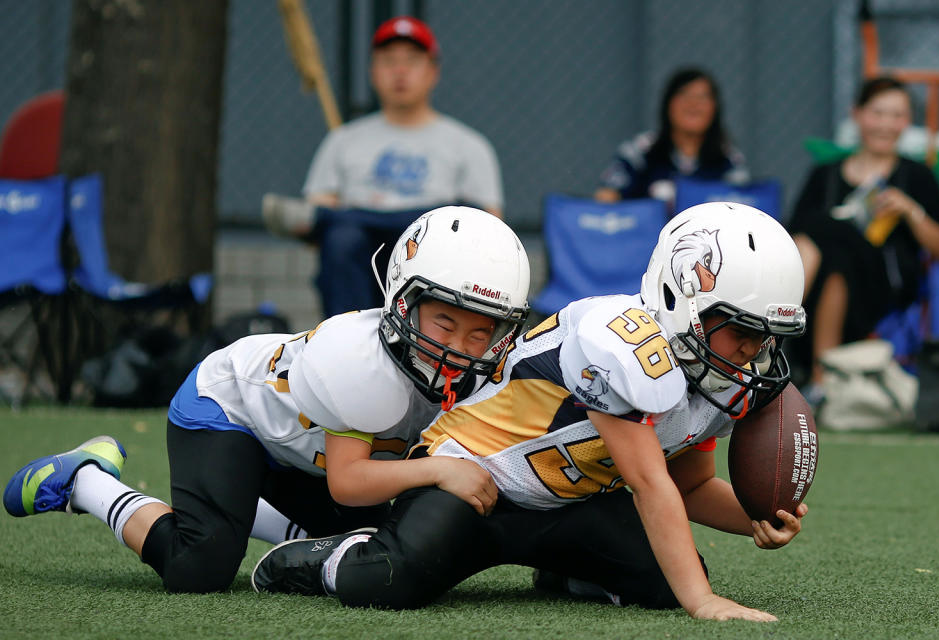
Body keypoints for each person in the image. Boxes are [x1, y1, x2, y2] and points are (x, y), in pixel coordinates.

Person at [252, 202, 810, 623]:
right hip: (469, 483)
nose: (754, 351)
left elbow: (685, 488)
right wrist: (703, 602)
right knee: (391, 580)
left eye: (769, 337)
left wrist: (755, 517)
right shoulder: (621, 342)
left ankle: (563, 570)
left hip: (563, 505)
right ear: (681, 298)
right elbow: (647, 482)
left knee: (658, 584)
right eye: (743, 330)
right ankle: (318, 556)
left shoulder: (713, 377)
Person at [3, 206, 530, 594]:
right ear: (402, 298)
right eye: (444, 320)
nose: (459, 348)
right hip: (231, 410)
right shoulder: (358, 363)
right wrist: (439, 471)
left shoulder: (482, 373)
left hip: (300, 447)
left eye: (480, 333)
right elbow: (349, 483)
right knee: (200, 569)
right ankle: (86, 480)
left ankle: (233, 505)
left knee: (367, 542)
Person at [263, 16, 504, 318]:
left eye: (412, 61)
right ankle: (350, 339)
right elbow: (316, 241)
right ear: (373, 72)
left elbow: (491, 229)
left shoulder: (469, 146)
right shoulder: (343, 141)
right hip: (361, 260)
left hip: (430, 259)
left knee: (450, 213)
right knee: (341, 236)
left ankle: (366, 216)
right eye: (388, 61)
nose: (400, 71)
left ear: (433, 72)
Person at [788, 76, 939, 397]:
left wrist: (910, 211)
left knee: (831, 247)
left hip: (883, 286)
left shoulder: (916, 176)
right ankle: (819, 378)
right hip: (818, 278)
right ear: (858, 114)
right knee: (817, 245)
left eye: (897, 115)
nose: (887, 124)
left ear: (907, 122)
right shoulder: (825, 175)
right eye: (878, 113)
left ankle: (782, 348)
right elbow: (793, 237)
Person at [594, 67, 748, 209]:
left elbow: (740, 208)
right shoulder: (641, 150)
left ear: (715, 108)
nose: (693, 104)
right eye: (684, 94)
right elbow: (605, 197)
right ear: (668, 104)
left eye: (703, 97)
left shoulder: (728, 158)